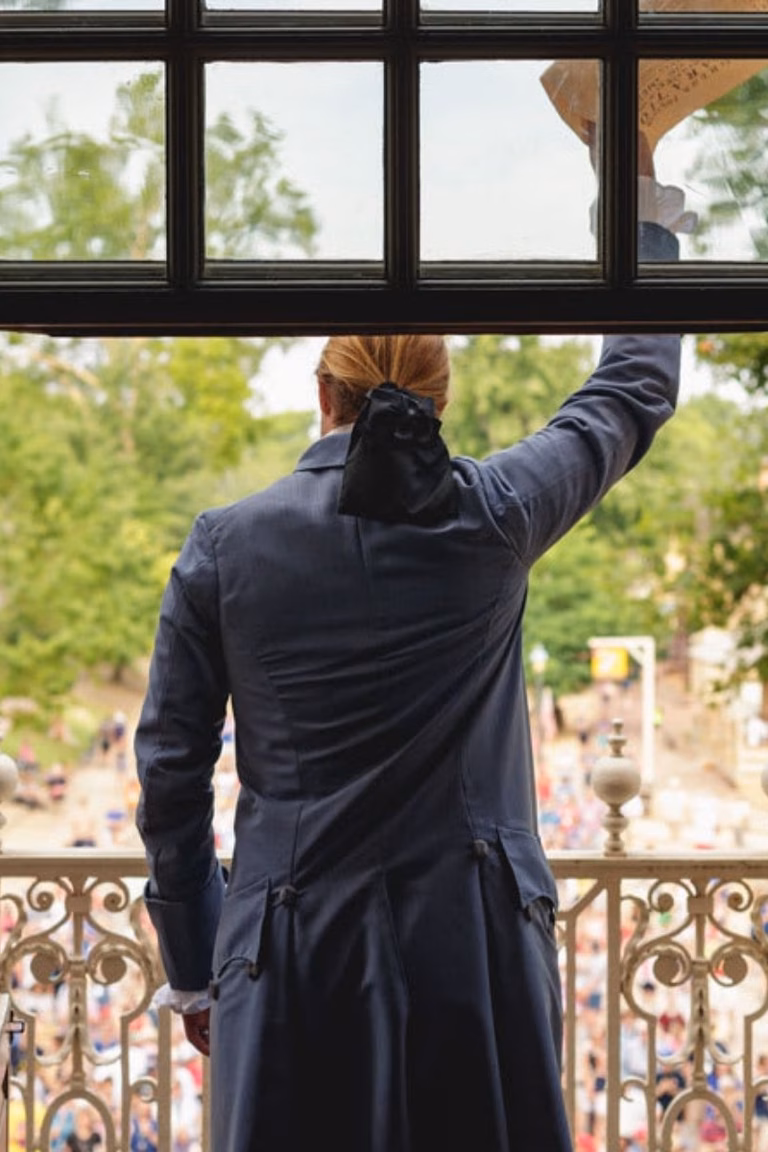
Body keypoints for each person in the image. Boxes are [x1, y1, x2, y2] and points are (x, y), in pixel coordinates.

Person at [135, 195, 684, 1148]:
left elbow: (171, 778)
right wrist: (642, 222)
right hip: (472, 950)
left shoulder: (225, 547)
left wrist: (196, 964)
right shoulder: (497, 513)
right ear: (441, 401)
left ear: (324, 392)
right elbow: (631, 389)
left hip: (289, 954)